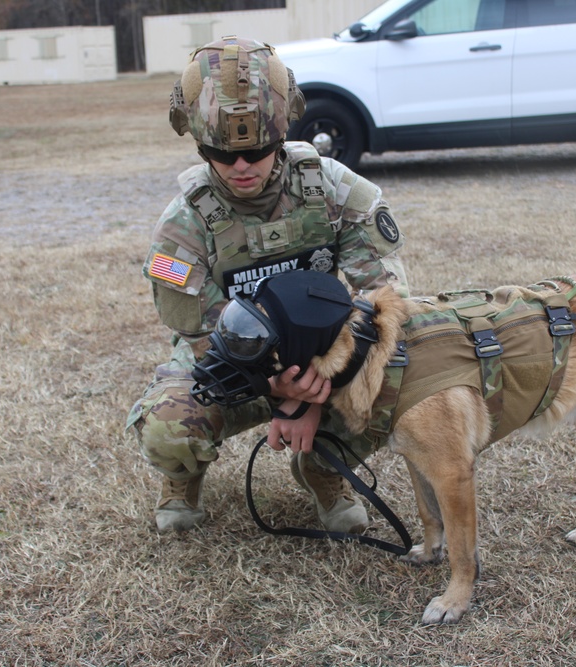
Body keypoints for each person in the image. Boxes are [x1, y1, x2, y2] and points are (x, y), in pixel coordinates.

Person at [126, 36, 409, 534]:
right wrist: (282, 390)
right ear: (198, 144)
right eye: (220, 152)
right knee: (170, 425)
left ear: (280, 135)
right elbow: (198, 332)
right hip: (229, 366)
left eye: (256, 150)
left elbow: (383, 300)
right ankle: (182, 476)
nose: (241, 166)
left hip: (326, 361)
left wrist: (317, 387)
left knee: (397, 381)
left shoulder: (333, 189)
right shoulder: (183, 225)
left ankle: (323, 468)